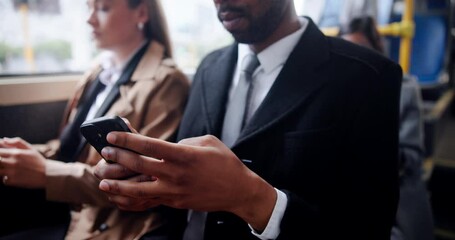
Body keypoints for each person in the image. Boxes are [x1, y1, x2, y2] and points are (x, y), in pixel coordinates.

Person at [94, 0, 402, 239]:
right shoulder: (208, 68)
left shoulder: (367, 78)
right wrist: (147, 189)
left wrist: (253, 199)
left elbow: (367, 231)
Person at [0, 0, 189, 239]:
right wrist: (15, 154)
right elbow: (69, 148)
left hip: (117, 227)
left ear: (141, 13)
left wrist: (47, 172)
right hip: (74, 215)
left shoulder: (168, 82)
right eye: (89, 8)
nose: (89, 19)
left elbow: (141, 183)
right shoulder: (98, 73)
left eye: (103, 8)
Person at [339, 15, 435, 240]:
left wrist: (370, 146)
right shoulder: (335, 91)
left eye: (361, 49)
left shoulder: (404, 89)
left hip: (395, 201)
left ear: (376, 49)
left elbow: (412, 158)